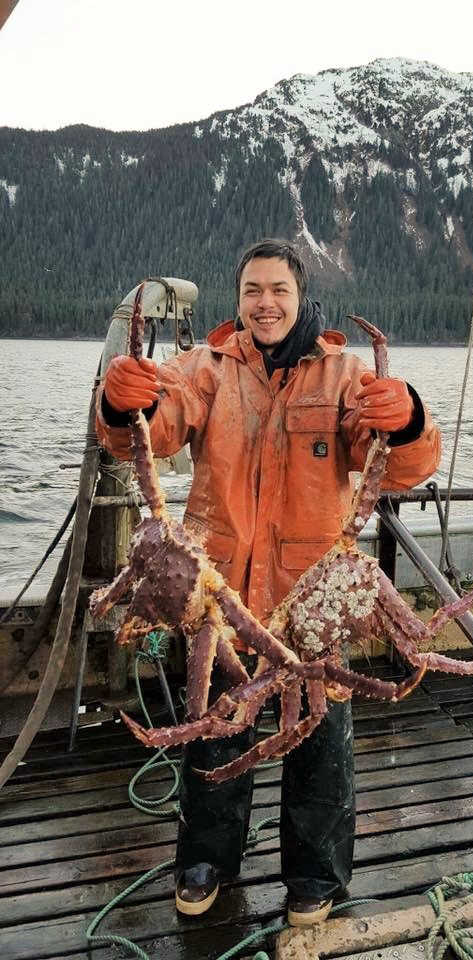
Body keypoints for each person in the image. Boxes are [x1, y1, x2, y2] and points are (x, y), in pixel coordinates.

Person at [97, 238, 441, 926]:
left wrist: (407, 421)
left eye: (278, 290)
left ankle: (315, 877)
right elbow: (157, 426)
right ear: (239, 299)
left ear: (301, 295)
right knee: (210, 727)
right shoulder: (206, 369)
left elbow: (397, 470)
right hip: (222, 594)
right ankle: (206, 860)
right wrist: (119, 404)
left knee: (320, 744)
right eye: (253, 290)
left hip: (311, 598)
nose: (265, 303)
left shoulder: (345, 375)